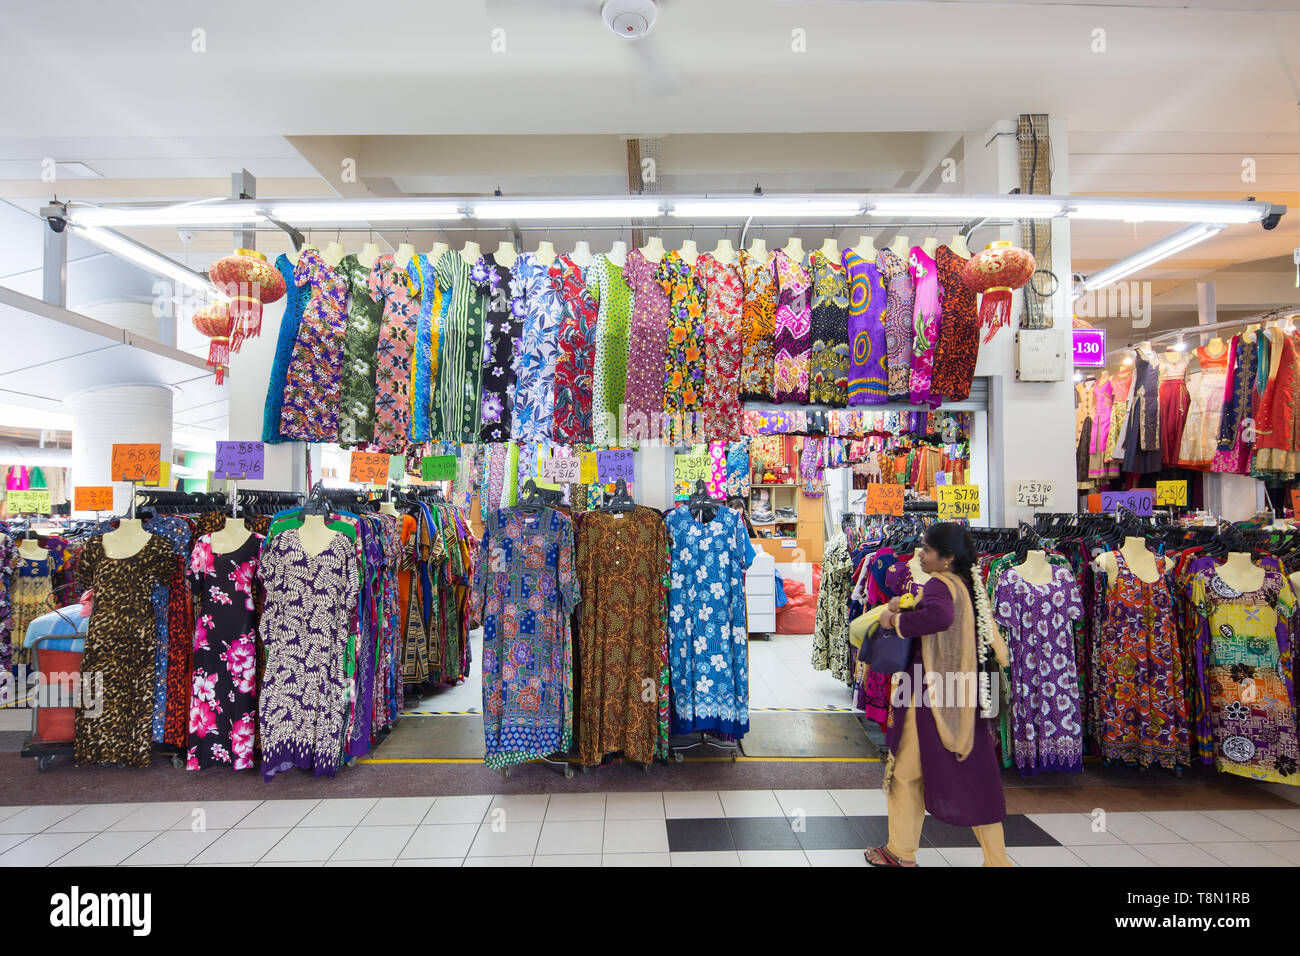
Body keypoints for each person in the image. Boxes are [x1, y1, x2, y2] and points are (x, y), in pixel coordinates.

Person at [863, 522, 1012, 867]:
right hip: (963, 694)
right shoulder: (970, 586)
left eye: (928, 550)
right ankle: (997, 860)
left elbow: (940, 617)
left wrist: (894, 621)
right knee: (976, 776)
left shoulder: (939, 585)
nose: (921, 554)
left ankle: (900, 851)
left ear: (946, 558)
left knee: (905, 773)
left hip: (928, 693)